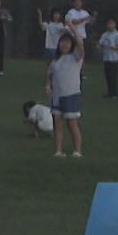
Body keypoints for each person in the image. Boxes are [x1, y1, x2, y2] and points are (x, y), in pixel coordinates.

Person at [46, 21, 85, 157]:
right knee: (57, 123)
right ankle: (58, 151)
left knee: (72, 123)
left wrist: (72, 28)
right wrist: (48, 86)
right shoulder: (55, 60)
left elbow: (80, 42)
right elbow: (49, 74)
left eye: (67, 43)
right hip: (57, 96)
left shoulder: (75, 58)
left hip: (71, 94)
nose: (64, 45)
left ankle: (77, 151)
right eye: (62, 42)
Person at [96, 17, 118, 98]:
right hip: (106, 58)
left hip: (113, 59)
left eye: (112, 23)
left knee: (113, 76)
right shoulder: (105, 34)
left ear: (115, 25)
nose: (110, 25)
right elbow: (100, 43)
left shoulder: (116, 34)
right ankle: (110, 92)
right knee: (108, 76)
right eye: (109, 23)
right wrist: (99, 46)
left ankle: (115, 93)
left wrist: (113, 47)